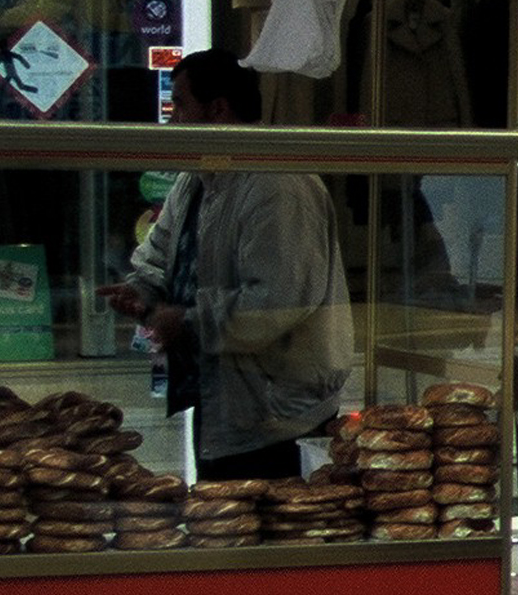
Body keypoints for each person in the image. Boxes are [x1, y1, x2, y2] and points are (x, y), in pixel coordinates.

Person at [99, 50, 349, 481]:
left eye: (180, 106)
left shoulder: (278, 184)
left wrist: (188, 322)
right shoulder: (195, 180)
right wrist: (141, 290)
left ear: (217, 109)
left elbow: (276, 302)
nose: (172, 121)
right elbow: (159, 253)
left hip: (279, 416)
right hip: (223, 405)